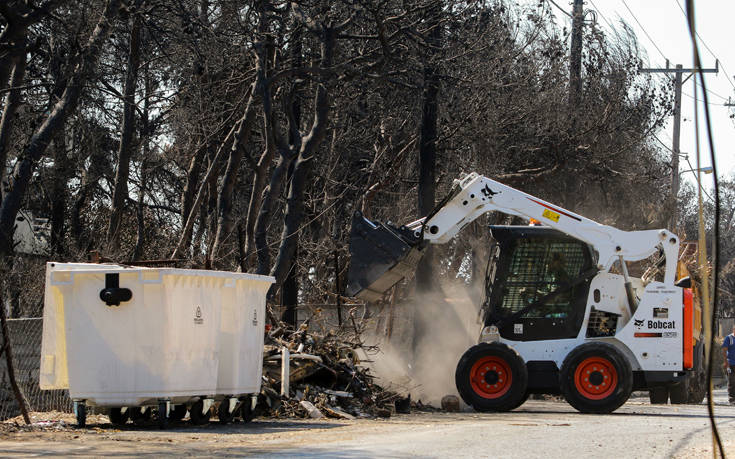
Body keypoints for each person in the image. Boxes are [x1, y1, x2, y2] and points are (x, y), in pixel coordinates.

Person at [723, 324, 735, 405]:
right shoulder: (729, 338)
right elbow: (724, 350)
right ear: (733, 329)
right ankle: (732, 398)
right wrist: (726, 362)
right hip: (731, 363)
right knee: (732, 381)